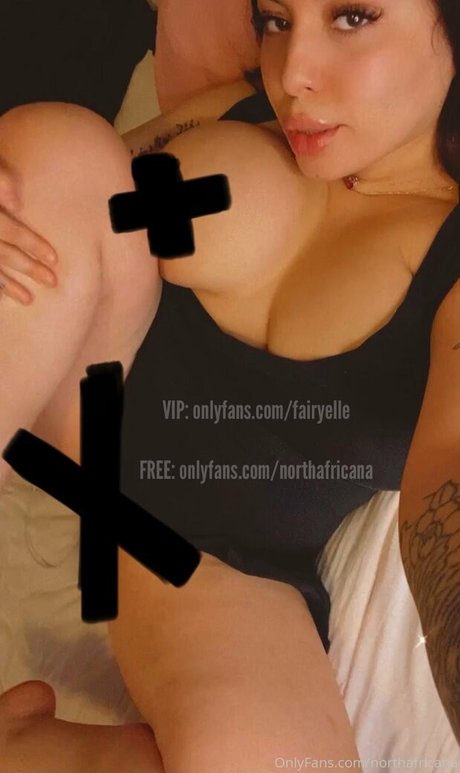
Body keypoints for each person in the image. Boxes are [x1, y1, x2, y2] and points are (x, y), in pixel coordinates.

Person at [0, 0, 459, 770]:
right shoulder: (240, 114)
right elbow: (66, 195)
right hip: (77, 395)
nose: (293, 74)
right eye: (275, 20)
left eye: (352, 18)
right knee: (52, 150)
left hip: (207, 553)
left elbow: (448, 478)